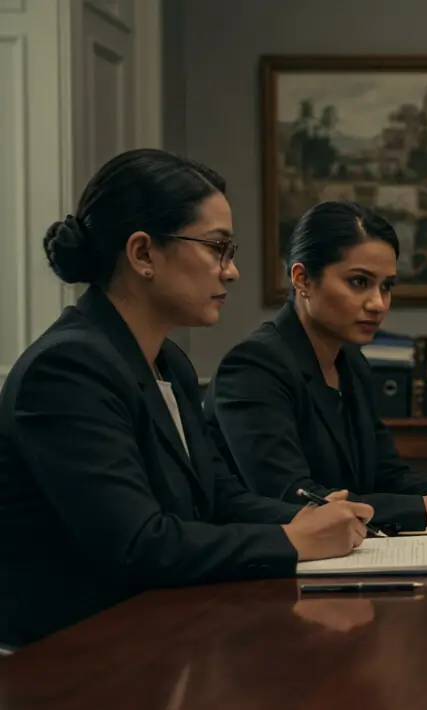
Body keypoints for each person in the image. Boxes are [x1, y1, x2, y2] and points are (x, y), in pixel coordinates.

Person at [0, 149, 373, 648]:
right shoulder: (67, 368)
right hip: (74, 661)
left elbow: (217, 496)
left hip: (158, 635)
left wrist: (309, 516)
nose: (231, 271)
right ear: (142, 254)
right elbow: (137, 544)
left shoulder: (169, 361)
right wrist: (292, 539)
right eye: (217, 248)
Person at [204, 200, 427, 533]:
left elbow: (388, 477)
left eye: (386, 286)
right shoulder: (253, 367)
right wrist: (426, 508)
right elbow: (293, 499)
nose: (378, 304)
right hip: (273, 571)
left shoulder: (352, 363)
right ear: (302, 279)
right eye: (359, 282)